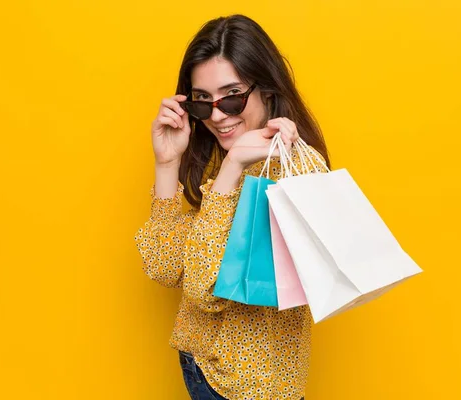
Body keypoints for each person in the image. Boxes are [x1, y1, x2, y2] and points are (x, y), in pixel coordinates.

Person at [134, 14, 331, 400]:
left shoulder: (295, 173)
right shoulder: (225, 154)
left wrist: (231, 170)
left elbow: (204, 290)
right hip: (201, 366)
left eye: (232, 96)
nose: (219, 116)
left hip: (247, 388)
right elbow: (164, 266)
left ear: (267, 90)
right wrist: (167, 163)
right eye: (203, 102)